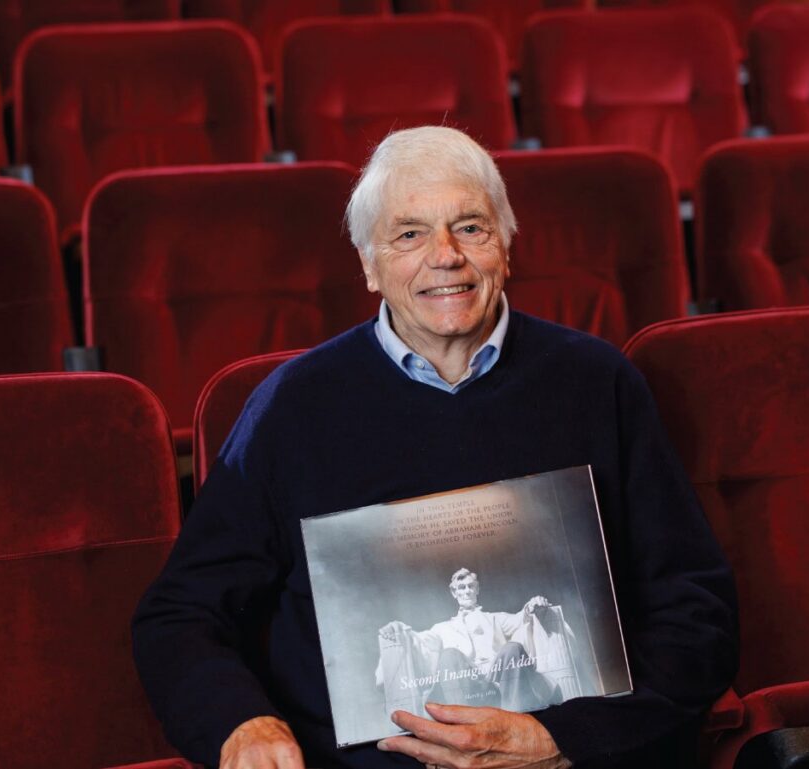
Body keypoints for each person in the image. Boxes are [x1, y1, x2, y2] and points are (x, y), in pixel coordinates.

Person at [132, 125, 738, 769]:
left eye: (470, 227)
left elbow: (696, 609)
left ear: (506, 244)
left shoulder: (596, 383)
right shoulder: (291, 408)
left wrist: (570, 740)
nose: (444, 255)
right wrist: (239, 723)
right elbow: (181, 615)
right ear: (369, 265)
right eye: (409, 234)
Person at [377, 568, 563, 713]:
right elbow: (421, 642)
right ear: (454, 593)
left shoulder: (494, 618)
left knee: (512, 648)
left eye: (470, 586)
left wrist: (532, 606)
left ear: (477, 589)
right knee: (449, 655)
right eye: (461, 587)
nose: (466, 591)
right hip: (465, 687)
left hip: (497, 681)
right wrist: (401, 630)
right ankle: (463, 719)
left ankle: (514, 716)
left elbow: (521, 619)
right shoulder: (442, 628)